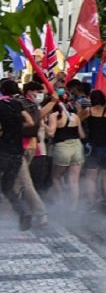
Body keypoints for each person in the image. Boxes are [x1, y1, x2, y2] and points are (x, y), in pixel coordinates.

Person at [11, 81, 48, 225]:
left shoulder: (17, 104)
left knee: (25, 182)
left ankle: (41, 212)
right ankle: (16, 210)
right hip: (30, 146)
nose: (39, 94)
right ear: (28, 91)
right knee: (17, 180)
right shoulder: (32, 106)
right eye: (36, 91)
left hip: (20, 147)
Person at [0, 80, 35, 230]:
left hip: (3, 149)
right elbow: (30, 122)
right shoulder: (17, 104)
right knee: (7, 187)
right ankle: (23, 213)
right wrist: (16, 127)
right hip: (17, 150)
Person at [80, 90, 106, 212]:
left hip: (93, 147)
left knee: (91, 178)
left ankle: (92, 203)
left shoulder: (89, 111)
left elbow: (77, 119)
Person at [46, 96, 85, 210]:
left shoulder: (53, 116)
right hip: (77, 146)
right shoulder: (75, 116)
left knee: (56, 177)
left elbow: (51, 133)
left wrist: (43, 125)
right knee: (74, 180)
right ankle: (74, 207)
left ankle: (61, 202)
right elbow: (82, 135)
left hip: (62, 147)